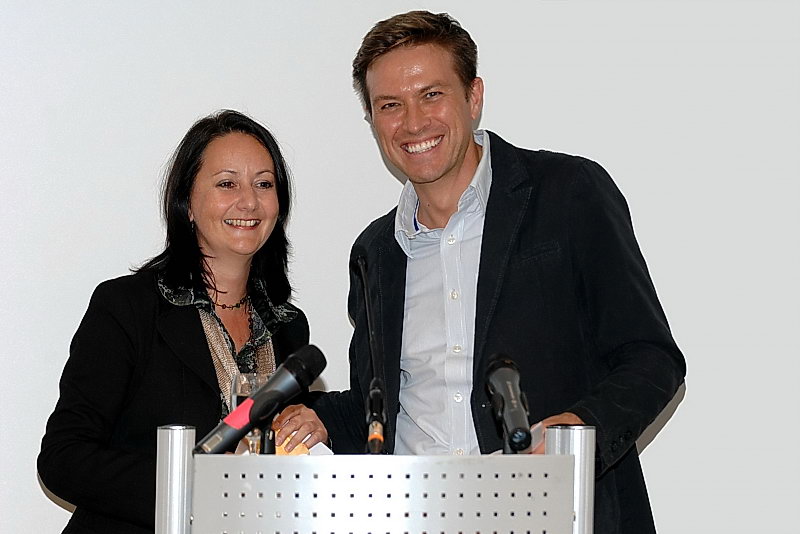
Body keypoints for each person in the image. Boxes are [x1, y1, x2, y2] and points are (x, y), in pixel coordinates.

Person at [306, 11, 686, 534]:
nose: (413, 122)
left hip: (557, 515)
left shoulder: (568, 192)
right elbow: (383, 406)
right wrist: (316, 417)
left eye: (432, 95)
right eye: (390, 105)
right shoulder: (375, 251)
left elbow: (651, 359)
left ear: (473, 97)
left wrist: (579, 431)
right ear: (373, 120)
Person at [38, 110, 328, 534]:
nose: (249, 201)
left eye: (264, 184)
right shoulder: (128, 308)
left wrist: (313, 427)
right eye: (227, 183)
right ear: (187, 203)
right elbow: (64, 458)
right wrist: (190, 487)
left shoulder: (288, 326)